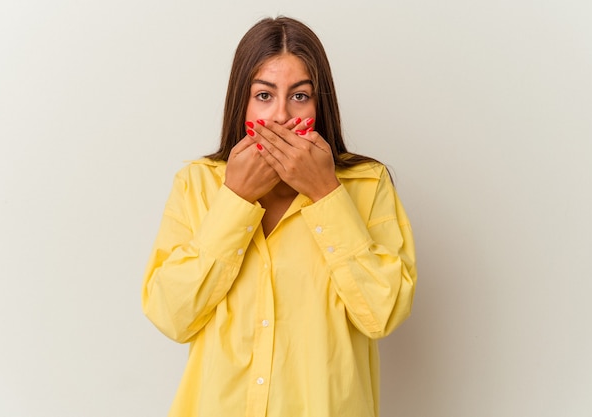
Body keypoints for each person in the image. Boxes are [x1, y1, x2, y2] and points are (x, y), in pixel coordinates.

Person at [142, 16, 417, 417]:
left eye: (300, 96)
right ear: (242, 101)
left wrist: (326, 194)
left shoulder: (367, 185)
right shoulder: (196, 184)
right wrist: (234, 200)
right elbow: (171, 316)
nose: (281, 117)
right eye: (264, 95)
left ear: (320, 104)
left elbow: (383, 314)